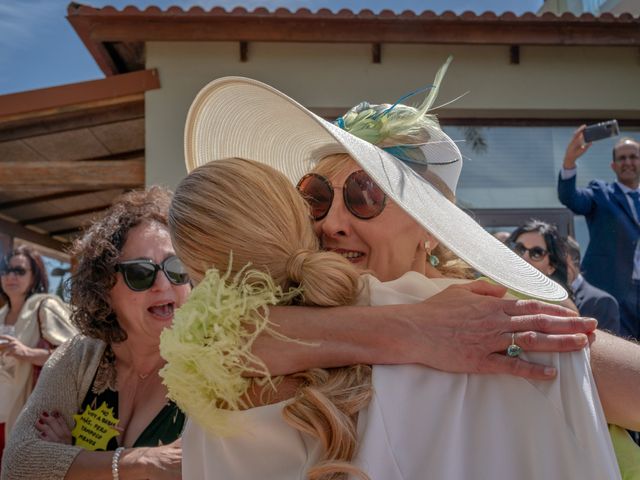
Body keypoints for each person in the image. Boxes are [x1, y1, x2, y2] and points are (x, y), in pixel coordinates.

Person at [164, 71, 638, 478]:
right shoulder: (255, 331)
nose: (330, 222)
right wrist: (410, 328)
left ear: (431, 230)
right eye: (315, 197)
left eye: (364, 193)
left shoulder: (496, 319)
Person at [1, 187, 190, 480]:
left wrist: (73, 459)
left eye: (176, 267)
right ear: (104, 289)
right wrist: (144, 462)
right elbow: (19, 462)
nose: (163, 284)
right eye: (140, 272)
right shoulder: (79, 355)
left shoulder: (215, 366)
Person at [558, 131, 640, 339]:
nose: (628, 162)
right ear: (613, 166)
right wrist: (569, 161)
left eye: (633, 157)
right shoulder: (601, 193)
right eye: (622, 158)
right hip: (615, 291)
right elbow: (571, 198)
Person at [0, 246, 76, 459]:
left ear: (34, 276)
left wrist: (28, 353)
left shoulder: (45, 305)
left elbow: (76, 356)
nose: (10, 276)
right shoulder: (1, 314)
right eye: (5, 270)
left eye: (19, 270)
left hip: (27, 417)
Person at [506, 219, 574, 300]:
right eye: (519, 249)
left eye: (537, 253)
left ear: (551, 267)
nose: (524, 258)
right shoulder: (492, 292)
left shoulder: (561, 306)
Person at [565, 235, 621, 334]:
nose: (552, 265)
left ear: (575, 260)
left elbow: (605, 347)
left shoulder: (602, 302)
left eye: (558, 258)